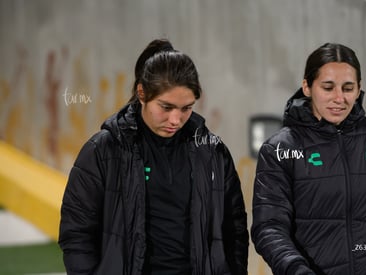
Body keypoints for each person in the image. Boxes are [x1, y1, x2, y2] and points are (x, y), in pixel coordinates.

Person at [58, 38, 249, 275]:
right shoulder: (102, 152)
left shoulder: (213, 153)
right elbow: (76, 234)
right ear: (142, 93)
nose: (175, 120)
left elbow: (235, 232)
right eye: (166, 107)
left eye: (186, 108)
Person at [251, 42, 366, 274]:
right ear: (307, 87)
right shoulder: (279, 149)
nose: (339, 98)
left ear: (359, 89)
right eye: (328, 88)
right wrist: (296, 270)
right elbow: (269, 227)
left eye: (348, 88)